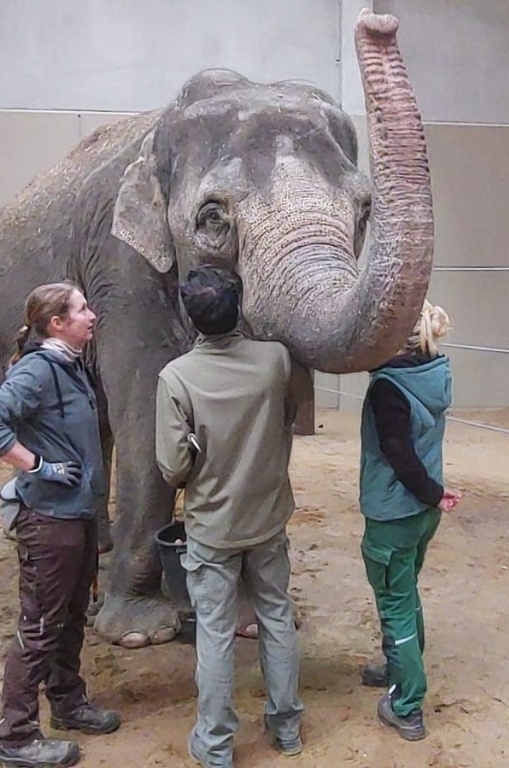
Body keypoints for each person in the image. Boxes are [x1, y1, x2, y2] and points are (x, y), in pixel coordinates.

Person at [155, 266, 304, 768]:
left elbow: (172, 467)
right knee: (277, 616)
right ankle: (286, 729)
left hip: (212, 527)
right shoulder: (275, 360)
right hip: (267, 517)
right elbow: (290, 413)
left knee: (215, 634)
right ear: (239, 305)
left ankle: (216, 745)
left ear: (189, 315)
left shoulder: (176, 377)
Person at [0, 282, 120, 768]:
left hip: (76, 517)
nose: (92, 315)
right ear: (56, 323)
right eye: (81, 309)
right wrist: (36, 465)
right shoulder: (38, 371)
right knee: (39, 626)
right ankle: (15, 736)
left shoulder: (70, 367)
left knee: (72, 616)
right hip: (50, 522)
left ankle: (68, 702)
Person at [357, 299, 461, 742]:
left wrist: (433, 493)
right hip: (421, 513)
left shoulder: (388, 388)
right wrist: (434, 496)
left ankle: (407, 704)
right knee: (405, 591)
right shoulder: (435, 371)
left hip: (395, 513)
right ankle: (397, 666)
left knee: (395, 603)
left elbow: (398, 453)